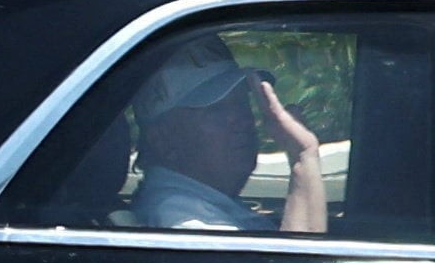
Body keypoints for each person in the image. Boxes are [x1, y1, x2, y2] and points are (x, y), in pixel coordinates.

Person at [128, 38, 328, 233]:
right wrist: (302, 156)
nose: (241, 120)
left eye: (242, 102)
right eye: (215, 110)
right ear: (162, 139)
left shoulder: (204, 203)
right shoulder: (182, 219)